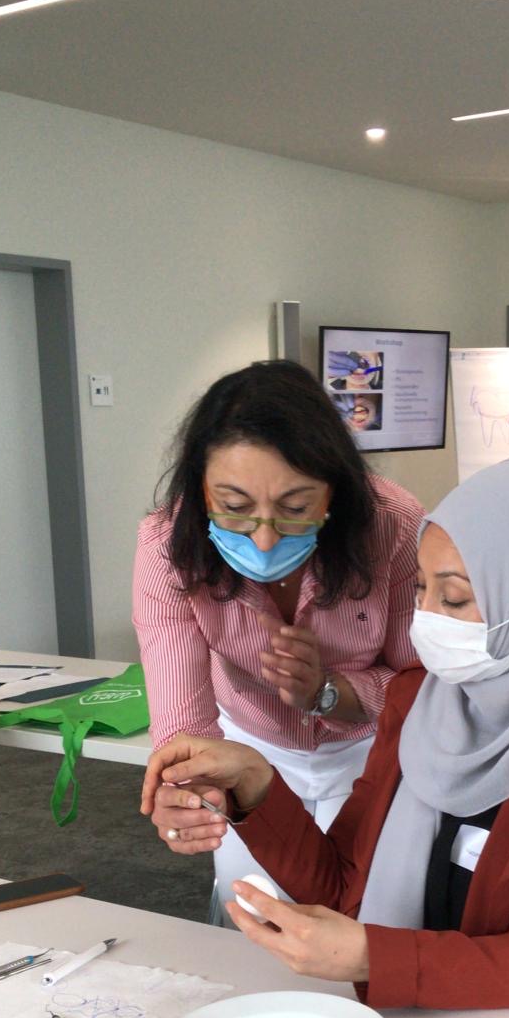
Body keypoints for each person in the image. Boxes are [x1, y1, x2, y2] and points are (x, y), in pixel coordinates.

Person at [140, 450, 509, 1018]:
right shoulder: (418, 696)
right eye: (420, 590)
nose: (427, 620)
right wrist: (256, 782)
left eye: (454, 598)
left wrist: (376, 957)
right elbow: (345, 885)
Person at [133, 359, 424, 912]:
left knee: (373, 913)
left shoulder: (393, 524)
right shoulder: (168, 543)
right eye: (235, 508)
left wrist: (329, 691)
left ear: (334, 490)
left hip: (371, 747)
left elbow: (422, 688)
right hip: (249, 742)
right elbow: (182, 714)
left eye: (295, 508)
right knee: (255, 914)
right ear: (200, 489)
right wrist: (190, 792)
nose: (264, 540)